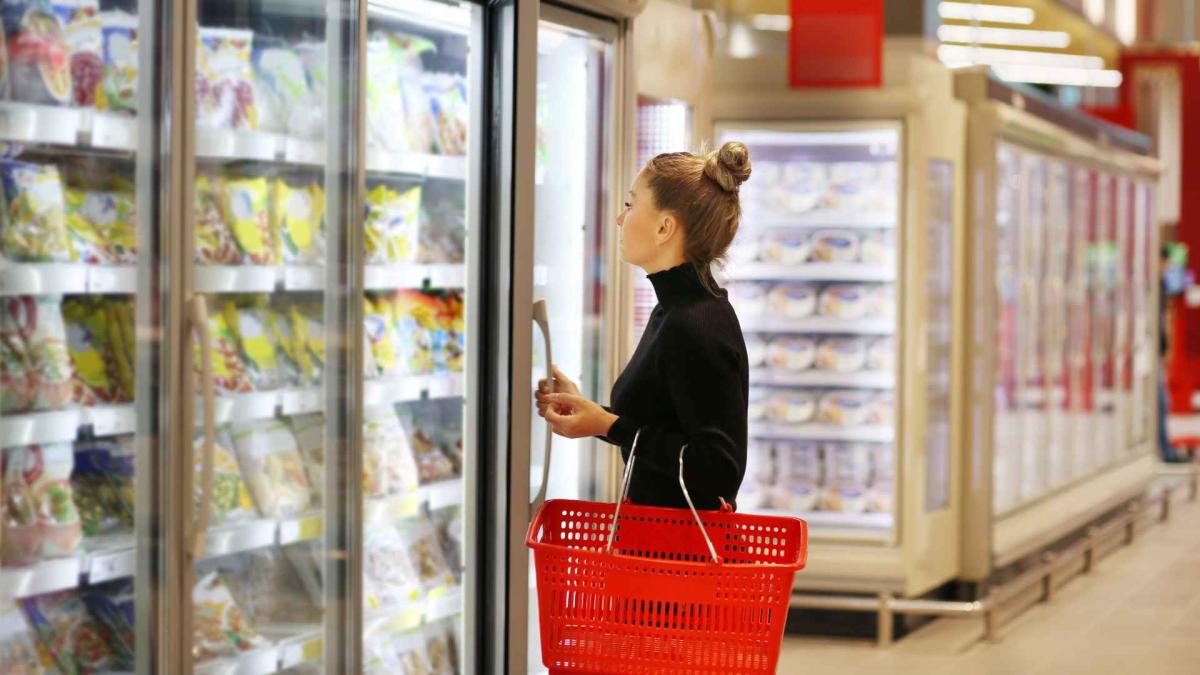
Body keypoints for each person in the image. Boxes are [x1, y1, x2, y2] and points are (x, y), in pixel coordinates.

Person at [534, 141, 752, 511]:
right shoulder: (675, 309)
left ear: (664, 227)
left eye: (631, 204)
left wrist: (607, 425)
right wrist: (593, 414)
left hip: (680, 560)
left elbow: (718, 470)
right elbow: (666, 425)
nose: (620, 219)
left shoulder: (695, 324)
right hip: (660, 547)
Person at [1158, 244, 1187, 463]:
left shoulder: (1161, 285)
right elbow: (1163, 321)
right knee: (1162, 401)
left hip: (1155, 351)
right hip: (1151, 353)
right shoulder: (1156, 285)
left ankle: (1163, 449)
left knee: (1162, 401)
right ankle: (1164, 450)